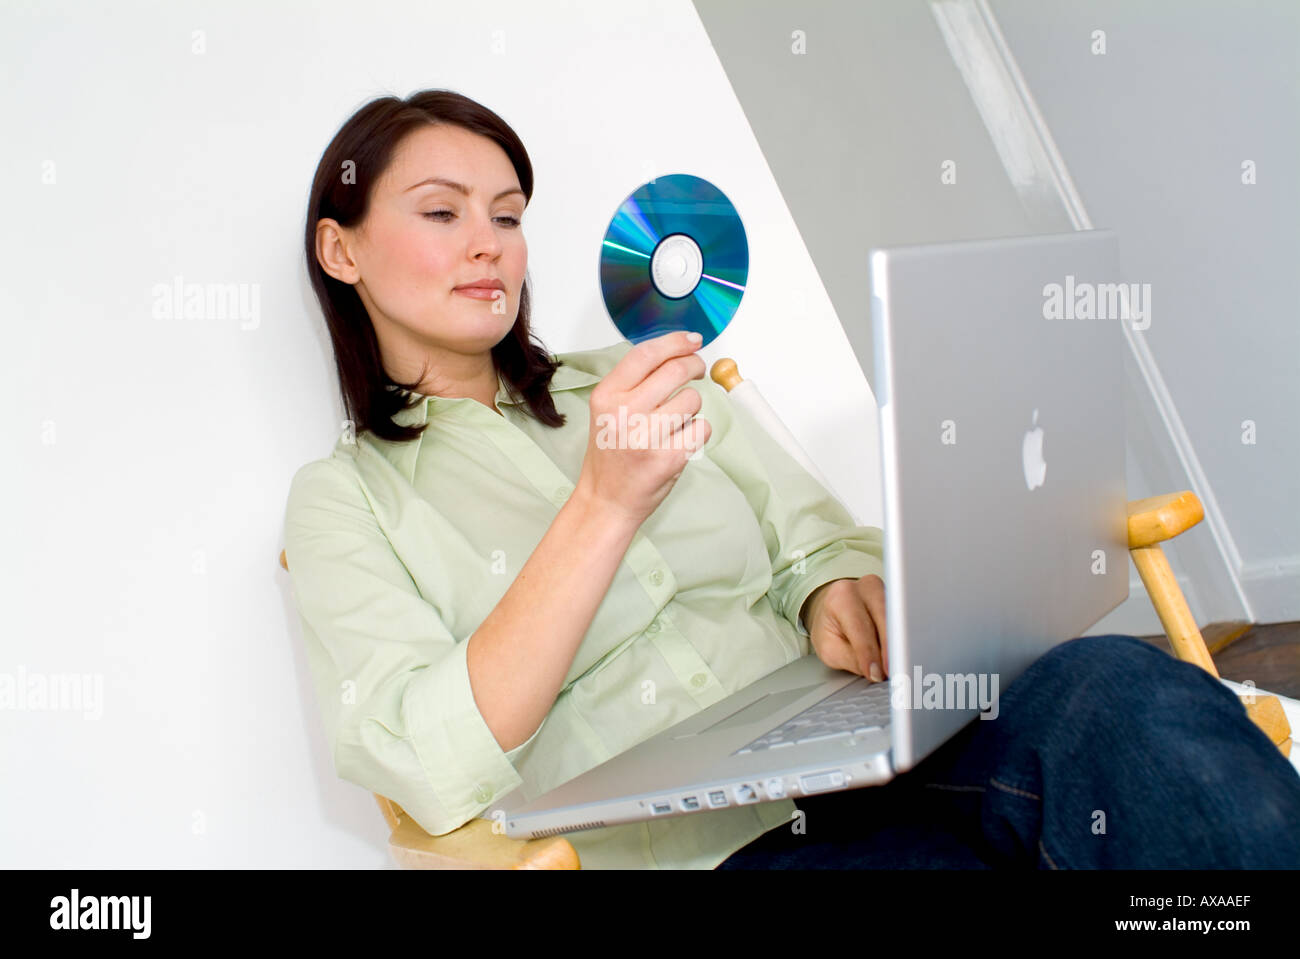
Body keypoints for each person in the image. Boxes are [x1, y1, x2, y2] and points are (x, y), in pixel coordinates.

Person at [284, 88, 1300, 870]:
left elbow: (816, 539)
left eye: (506, 216)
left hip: (876, 753)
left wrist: (828, 587)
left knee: (1111, 686)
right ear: (342, 248)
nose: (485, 244)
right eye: (440, 211)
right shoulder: (346, 502)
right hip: (723, 852)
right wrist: (601, 503)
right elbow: (427, 754)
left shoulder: (637, 373)